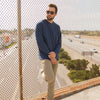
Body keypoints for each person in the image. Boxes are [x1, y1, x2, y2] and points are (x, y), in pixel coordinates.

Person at [35, 4, 62, 100]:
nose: (49, 14)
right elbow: (40, 43)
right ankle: (42, 72)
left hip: (55, 57)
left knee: (52, 82)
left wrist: (55, 53)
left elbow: (59, 43)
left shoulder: (57, 27)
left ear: (55, 14)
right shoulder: (40, 25)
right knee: (49, 77)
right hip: (45, 56)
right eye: (47, 12)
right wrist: (51, 56)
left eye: (51, 12)